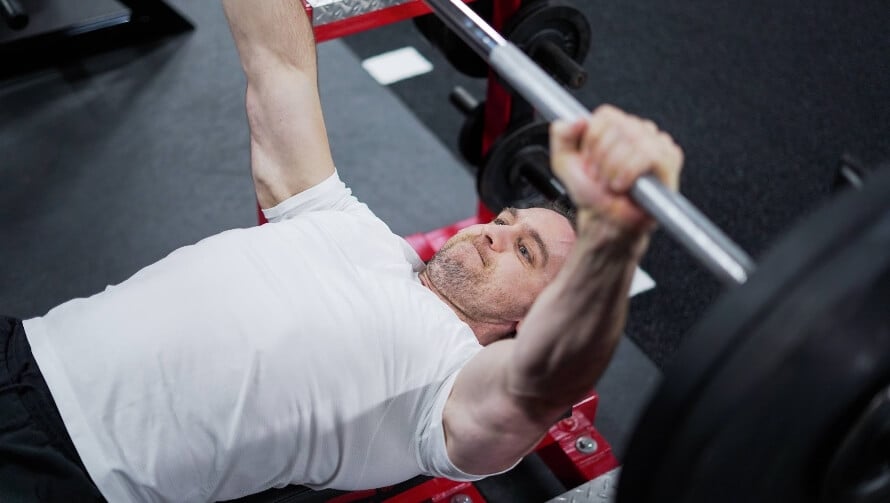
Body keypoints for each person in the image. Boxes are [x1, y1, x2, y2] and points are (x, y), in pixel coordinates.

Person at [0, 0, 682, 501]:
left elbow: (542, 383)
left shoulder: (444, 397)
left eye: (524, 252)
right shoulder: (352, 226)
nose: (491, 231)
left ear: (532, 323)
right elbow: (278, 70)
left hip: (64, 470)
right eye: (504, 220)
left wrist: (616, 236)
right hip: (23, 347)